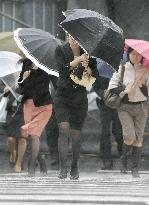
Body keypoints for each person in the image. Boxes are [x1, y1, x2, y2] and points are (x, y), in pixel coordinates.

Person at [54, 35, 98, 180]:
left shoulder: (88, 53)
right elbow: (62, 70)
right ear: (67, 37)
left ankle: (74, 166)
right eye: (70, 37)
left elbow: (94, 77)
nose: (73, 40)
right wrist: (77, 60)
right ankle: (62, 167)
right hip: (63, 96)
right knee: (63, 128)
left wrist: (87, 68)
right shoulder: (60, 50)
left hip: (79, 98)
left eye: (76, 37)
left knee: (76, 134)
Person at [108, 48, 149, 178]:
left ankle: (135, 168)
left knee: (138, 139)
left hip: (141, 107)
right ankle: (123, 159)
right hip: (124, 107)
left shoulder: (146, 70)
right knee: (130, 136)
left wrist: (143, 87)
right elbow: (112, 88)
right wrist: (125, 89)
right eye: (133, 54)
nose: (136, 56)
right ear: (128, 54)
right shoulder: (122, 69)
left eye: (138, 54)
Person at [15, 58, 57, 176]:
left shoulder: (47, 65)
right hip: (28, 105)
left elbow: (52, 84)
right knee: (32, 136)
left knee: (34, 134)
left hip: (44, 106)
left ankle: (31, 165)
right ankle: (41, 161)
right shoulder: (26, 64)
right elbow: (21, 88)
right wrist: (24, 78)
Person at [93, 59, 123, 170]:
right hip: (104, 105)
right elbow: (95, 86)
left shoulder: (121, 68)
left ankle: (122, 156)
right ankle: (107, 160)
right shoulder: (99, 68)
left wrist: (117, 92)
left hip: (118, 104)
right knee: (105, 133)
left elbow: (126, 86)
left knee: (119, 132)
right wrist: (104, 94)